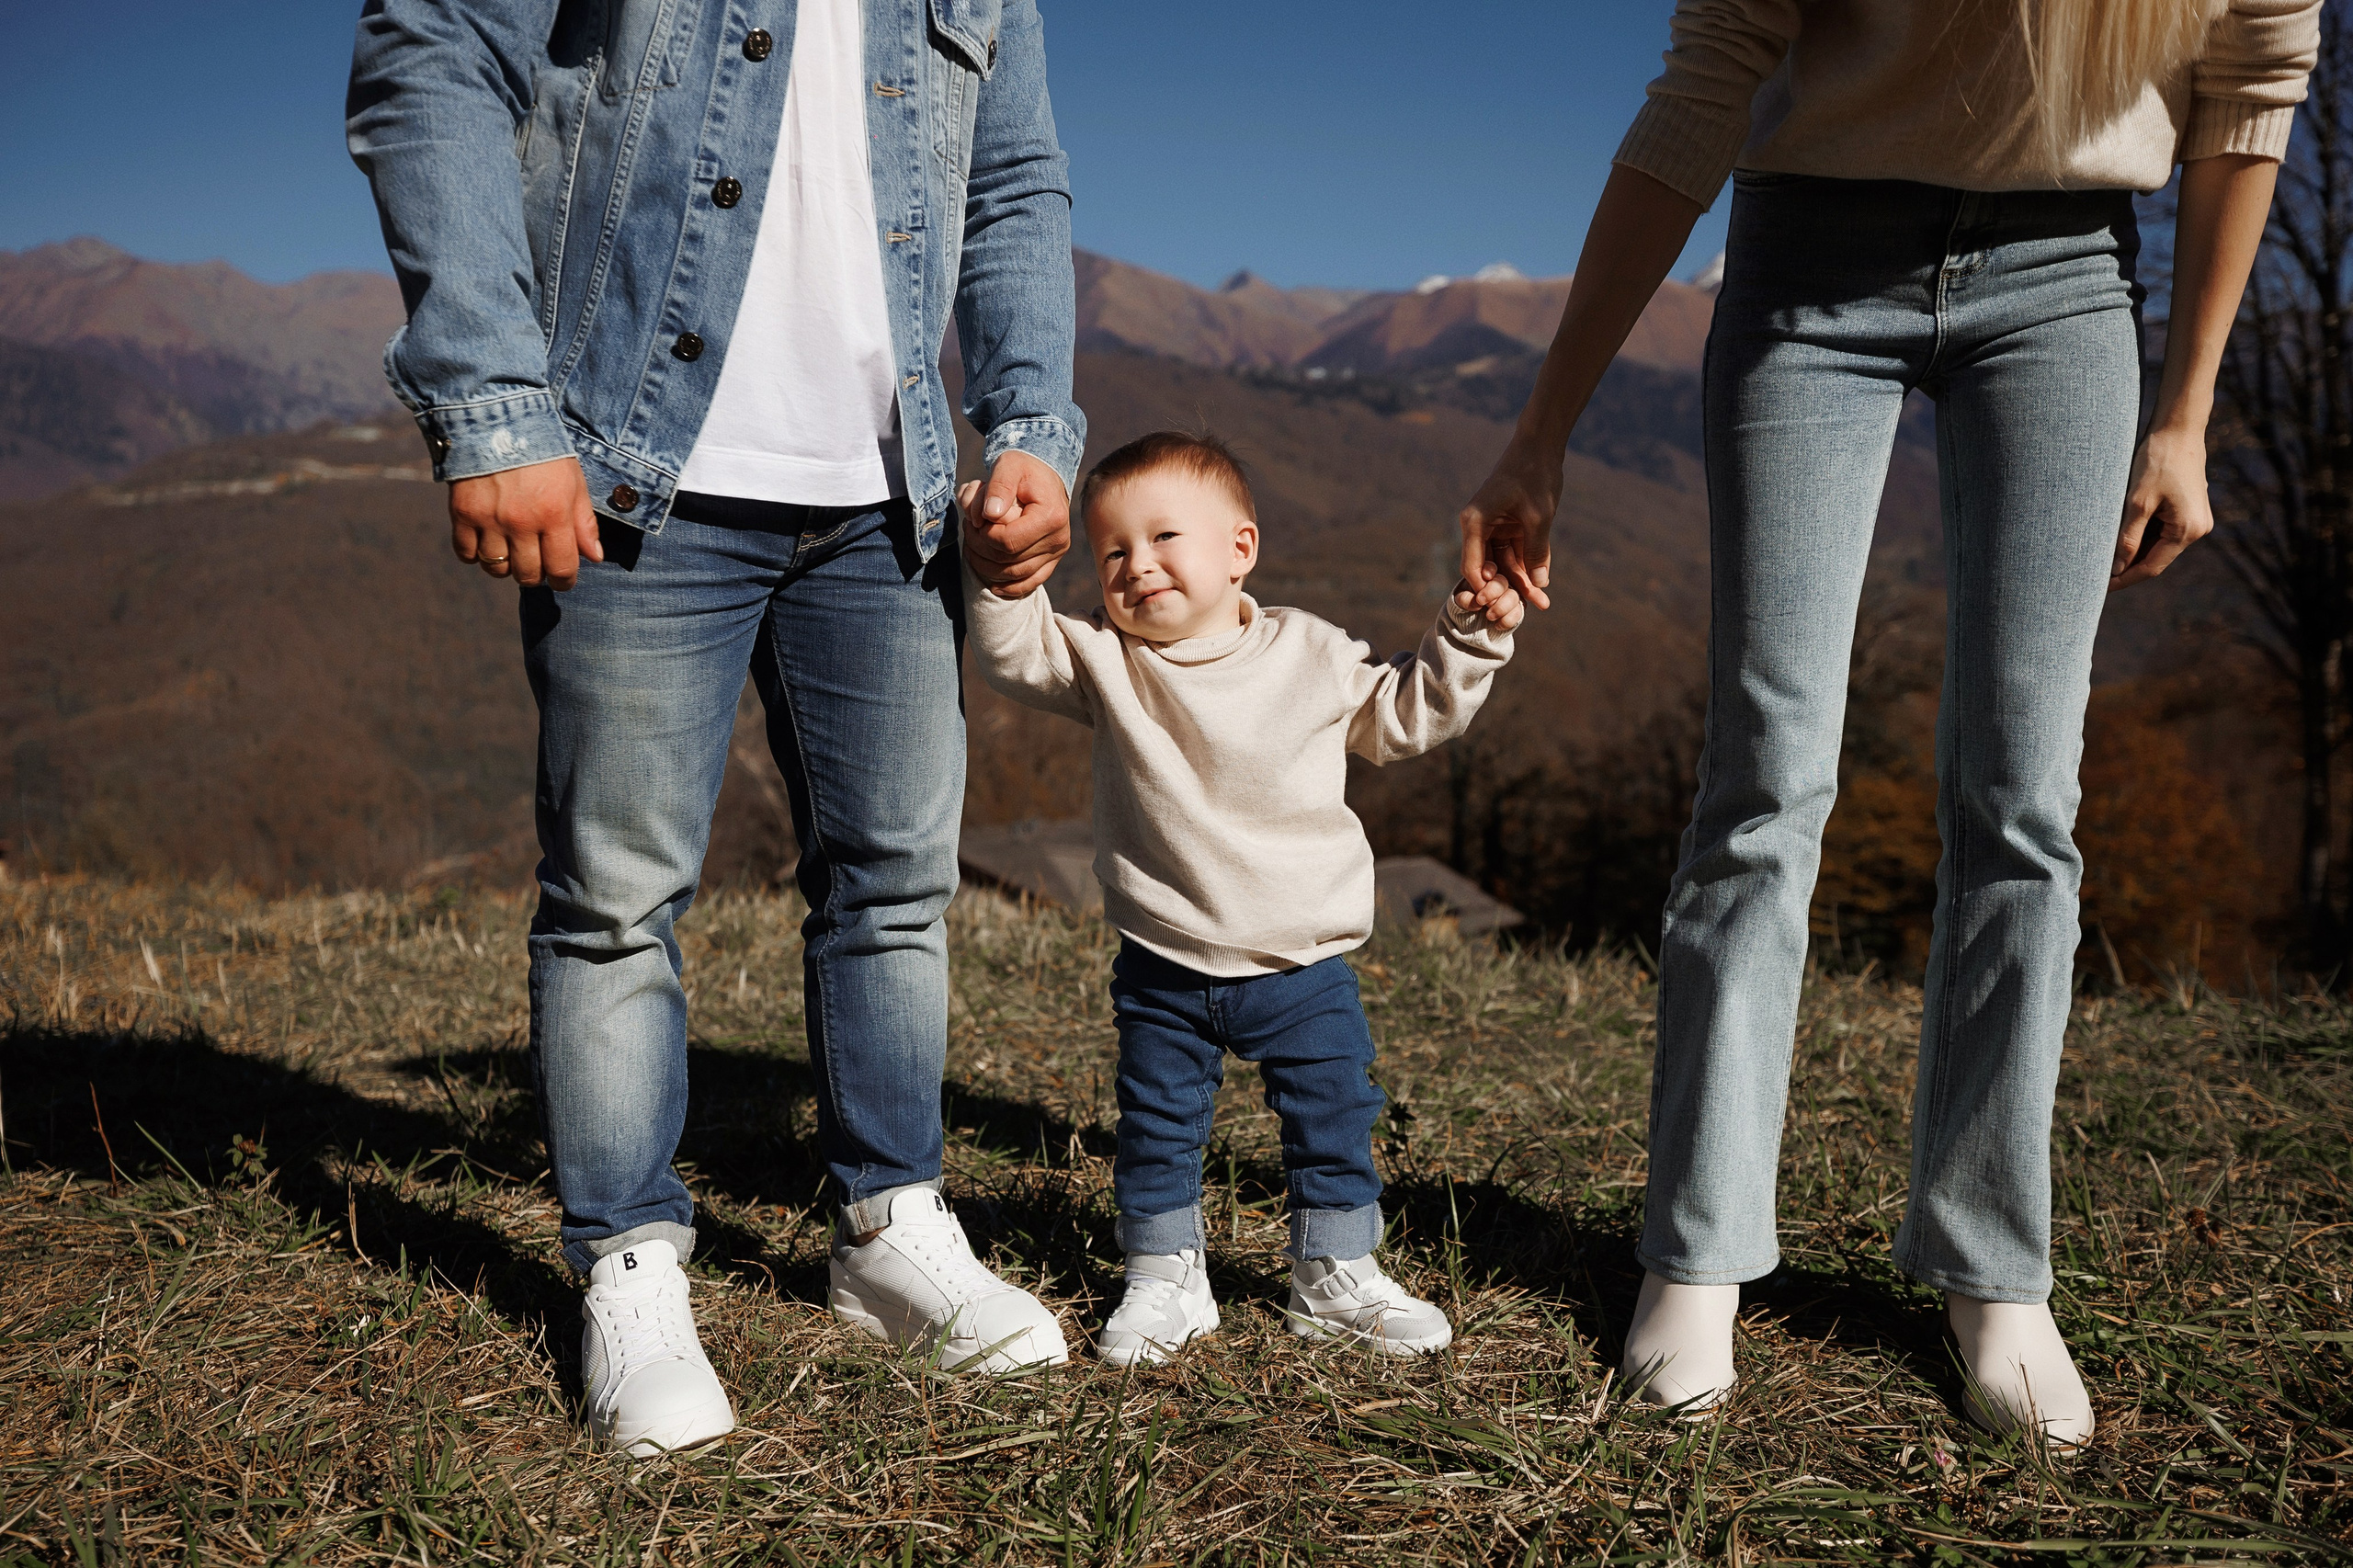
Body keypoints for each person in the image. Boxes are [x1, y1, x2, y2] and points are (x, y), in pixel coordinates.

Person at [1460, 0, 2319, 1444]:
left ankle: (1994, 1265)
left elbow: (2249, 99)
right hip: (1812, 259)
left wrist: (2186, 411)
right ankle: (1698, 1250)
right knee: (1764, 779)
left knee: (2024, 798)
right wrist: (1543, 424)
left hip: (2068, 276)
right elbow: (1702, 92)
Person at [347, 0, 1087, 1455]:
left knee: (896, 885)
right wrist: (496, 401)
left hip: (895, 495)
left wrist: (1027, 423)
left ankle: (891, 1222)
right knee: (617, 896)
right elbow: (434, 48)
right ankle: (627, 1260)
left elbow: (1014, 178)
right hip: (633, 469)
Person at [963, 431, 1521, 1363]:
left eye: (1164, 537)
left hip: (1302, 962)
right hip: (1162, 962)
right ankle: (1161, 1274)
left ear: (1240, 549)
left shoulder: (1308, 652)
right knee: (1157, 1128)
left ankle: (1333, 1275)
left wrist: (1469, 634)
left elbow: (1403, 715)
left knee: (1333, 1118)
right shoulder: (1107, 661)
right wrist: (999, 566)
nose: (1137, 566)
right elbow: (1015, 653)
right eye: (1112, 552)